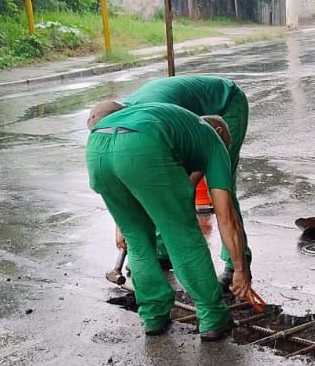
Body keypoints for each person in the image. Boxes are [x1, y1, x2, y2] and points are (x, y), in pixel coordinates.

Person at [87, 101, 252, 339]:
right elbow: (226, 217)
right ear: (219, 133)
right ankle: (213, 317)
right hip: (141, 147)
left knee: (137, 240)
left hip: (96, 149)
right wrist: (240, 268)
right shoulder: (213, 143)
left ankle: (153, 316)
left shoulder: (180, 128)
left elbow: (167, 179)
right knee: (183, 237)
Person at [90, 75, 250, 289]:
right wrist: (123, 223)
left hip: (227, 105)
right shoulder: (127, 122)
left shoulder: (153, 115)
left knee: (220, 188)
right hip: (180, 122)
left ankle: (236, 262)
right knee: (173, 190)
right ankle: (162, 251)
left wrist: (177, 200)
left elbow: (173, 180)